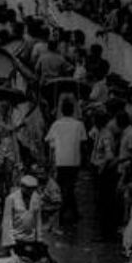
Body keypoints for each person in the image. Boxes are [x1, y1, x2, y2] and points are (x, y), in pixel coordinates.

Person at [44, 96, 86, 226]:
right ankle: (71, 211)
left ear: (61, 111)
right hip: (74, 159)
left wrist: (50, 160)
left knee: (64, 186)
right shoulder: (79, 124)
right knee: (70, 186)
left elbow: (49, 142)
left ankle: (64, 211)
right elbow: (83, 142)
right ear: (73, 110)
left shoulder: (56, 124)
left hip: (60, 160)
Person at [1, 174, 43, 250]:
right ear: (22, 187)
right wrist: (9, 243)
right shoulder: (11, 198)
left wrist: (39, 238)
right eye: (28, 189)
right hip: (16, 238)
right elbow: (7, 222)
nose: (30, 191)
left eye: (32, 189)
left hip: (31, 238)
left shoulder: (36, 197)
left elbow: (38, 219)